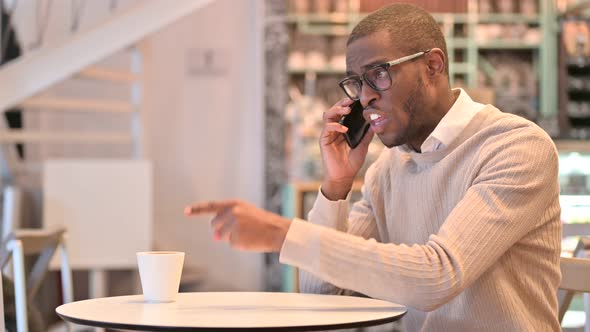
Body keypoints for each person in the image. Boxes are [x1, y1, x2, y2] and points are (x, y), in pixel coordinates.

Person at [185, 4, 561, 331]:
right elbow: (323, 294)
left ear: (433, 65)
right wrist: (335, 186)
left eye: (379, 73)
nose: (365, 97)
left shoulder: (515, 146)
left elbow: (437, 277)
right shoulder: (389, 169)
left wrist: (283, 234)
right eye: (357, 82)